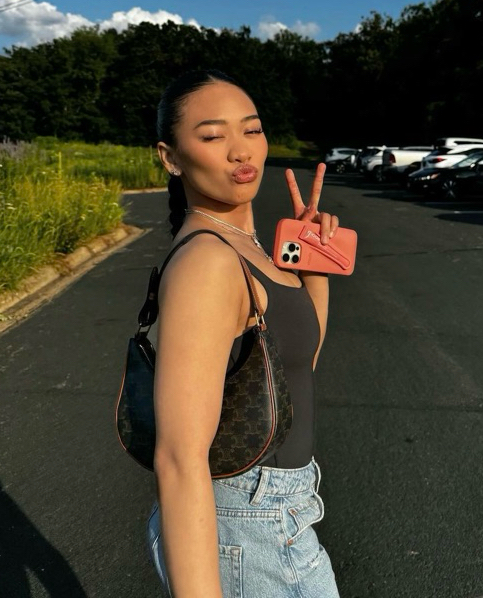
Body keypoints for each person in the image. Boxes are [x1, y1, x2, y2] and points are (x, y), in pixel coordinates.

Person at [145, 69, 342, 598]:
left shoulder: (246, 246)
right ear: (170, 157)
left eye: (252, 129)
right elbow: (179, 458)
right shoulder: (208, 262)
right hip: (247, 527)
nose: (240, 149)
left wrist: (312, 262)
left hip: (276, 514)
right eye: (213, 136)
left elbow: (296, 367)